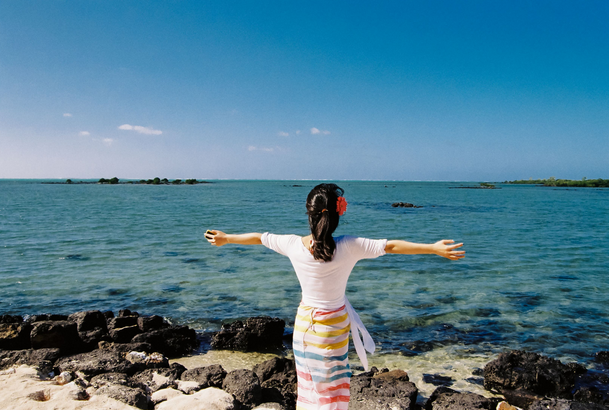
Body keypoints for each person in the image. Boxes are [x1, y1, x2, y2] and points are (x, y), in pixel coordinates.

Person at [205, 183, 465, 410]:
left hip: (305, 326)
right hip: (333, 326)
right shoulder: (349, 246)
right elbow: (391, 246)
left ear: (309, 214)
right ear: (337, 215)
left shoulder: (293, 244)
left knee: (309, 388)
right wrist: (433, 248)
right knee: (332, 389)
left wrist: (227, 238)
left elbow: (260, 238)